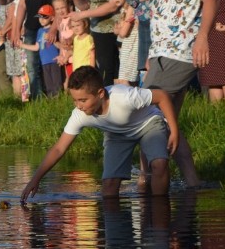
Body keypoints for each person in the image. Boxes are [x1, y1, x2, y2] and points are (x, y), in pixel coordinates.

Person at [20, 65, 180, 203]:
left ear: (101, 93)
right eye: (74, 100)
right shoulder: (79, 114)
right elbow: (58, 149)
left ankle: (160, 218)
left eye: (83, 100)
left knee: (159, 164)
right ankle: (118, 237)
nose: (78, 106)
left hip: (148, 124)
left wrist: (174, 131)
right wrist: (36, 179)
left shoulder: (124, 97)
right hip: (117, 134)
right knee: (109, 188)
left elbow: (162, 97)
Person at [143, 0, 216, 188]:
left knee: (148, 117)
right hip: (163, 52)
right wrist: (153, 54)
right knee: (166, 119)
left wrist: (203, 37)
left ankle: (148, 183)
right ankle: (192, 183)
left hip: (179, 50)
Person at [12, 0, 60, 99]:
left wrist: (53, 28)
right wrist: (16, 29)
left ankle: (56, 95)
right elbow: (22, 5)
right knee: (32, 66)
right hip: (31, 27)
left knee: (51, 63)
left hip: (48, 25)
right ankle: (37, 99)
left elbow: (59, 2)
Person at [19, 4, 63, 96]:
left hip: (54, 60)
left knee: (57, 83)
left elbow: (61, 45)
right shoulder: (39, 31)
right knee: (48, 85)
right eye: (39, 17)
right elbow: (36, 47)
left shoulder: (55, 29)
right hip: (44, 62)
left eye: (45, 17)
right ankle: (52, 101)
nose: (41, 20)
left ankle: (60, 99)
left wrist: (53, 41)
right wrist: (22, 45)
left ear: (52, 18)